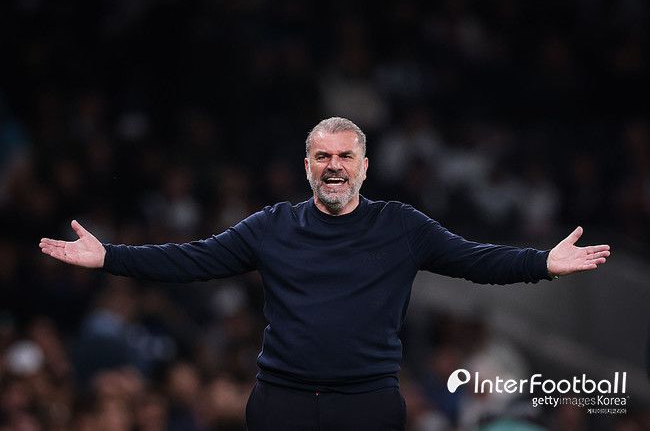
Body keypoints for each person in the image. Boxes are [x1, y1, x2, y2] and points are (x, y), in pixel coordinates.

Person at [40, 117, 610, 430]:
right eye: (322, 156)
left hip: (367, 405)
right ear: (307, 166)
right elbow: (192, 260)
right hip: (281, 404)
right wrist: (110, 256)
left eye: (344, 156)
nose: (333, 166)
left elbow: (476, 259)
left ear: (364, 167)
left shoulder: (401, 226)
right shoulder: (271, 226)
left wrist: (542, 263)